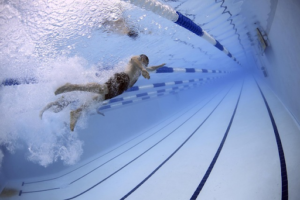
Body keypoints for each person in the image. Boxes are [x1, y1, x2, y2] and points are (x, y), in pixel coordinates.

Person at [40, 54, 165, 131]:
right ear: (142, 59)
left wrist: (159, 66)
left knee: (97, 99)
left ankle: (77, 112)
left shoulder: (142, 69)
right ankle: (72, 87)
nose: (145, 64)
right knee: (101, 89)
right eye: (144, 61)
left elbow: (151, 68)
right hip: (122, 78)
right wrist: (143, 68)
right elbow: (135, 61)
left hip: (121, 88)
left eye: (146, 63)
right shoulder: (136, 60)